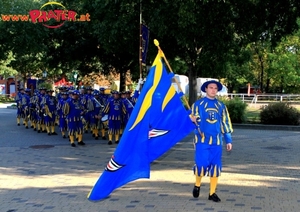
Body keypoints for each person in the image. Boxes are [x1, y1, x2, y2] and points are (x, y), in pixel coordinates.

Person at [190, 80, 233, 202]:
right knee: (201, 164)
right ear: (206, 89)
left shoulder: (221, 106)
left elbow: (225, 123)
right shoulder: (198, 105)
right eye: (211, 88)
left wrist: (228, 140)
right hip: (202, 141)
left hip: (217, 142)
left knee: (215, 166)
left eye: (215, 88)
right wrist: (192, 119)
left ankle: (212, 193)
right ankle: (197, 185)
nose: (213, 90)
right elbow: (192, 120)